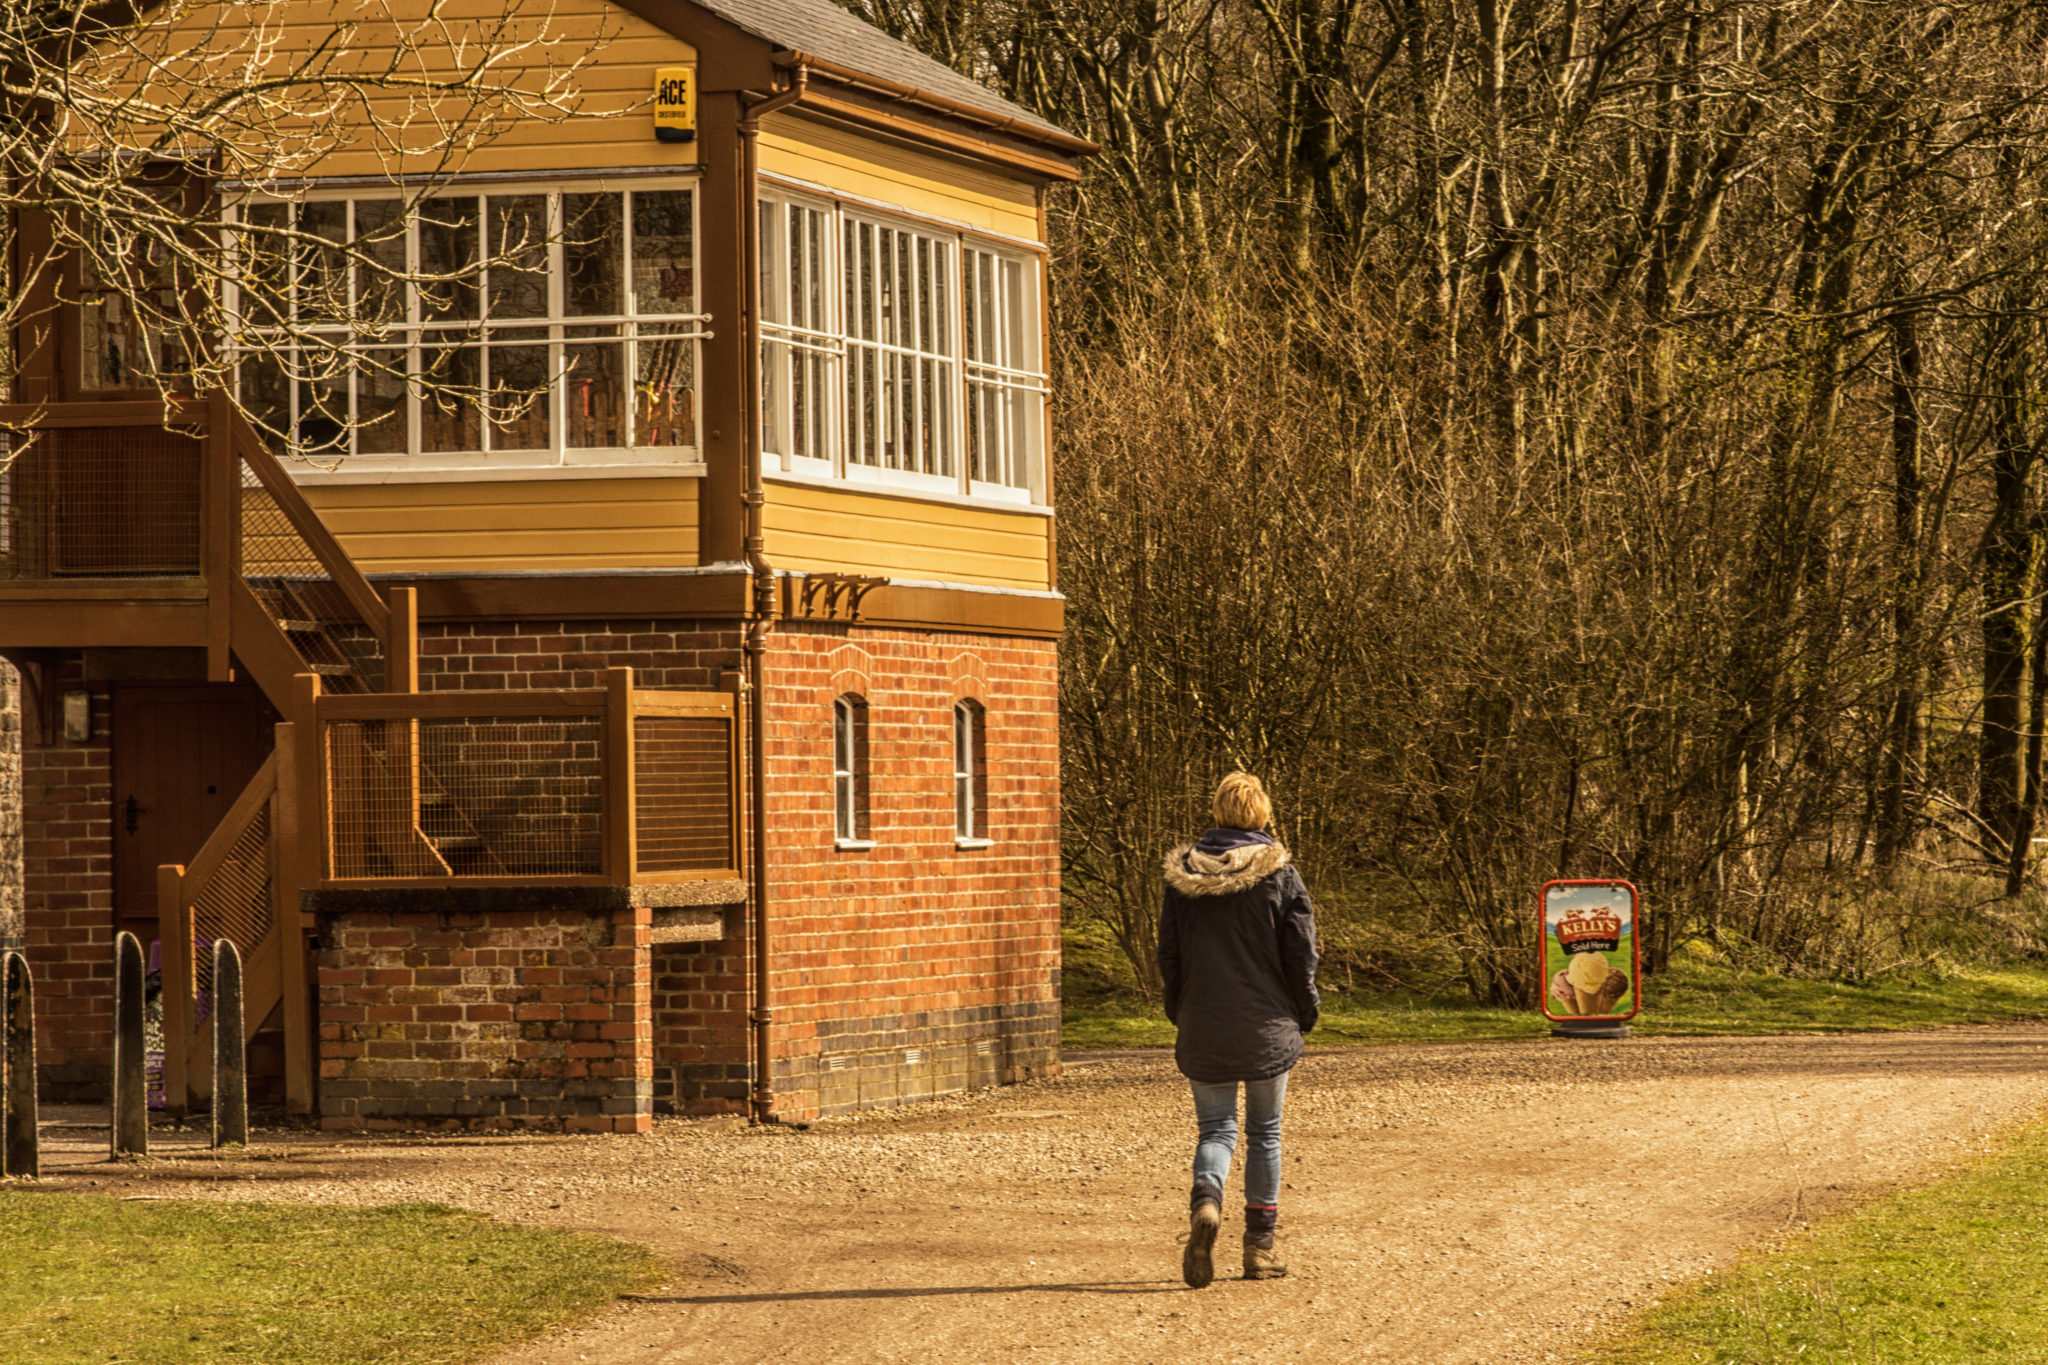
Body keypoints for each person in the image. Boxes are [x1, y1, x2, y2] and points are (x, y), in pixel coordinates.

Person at [1158, 771, 1320, 1289]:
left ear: (1218, 812)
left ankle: (1207, 1203)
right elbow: (1301, 954)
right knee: (1264, 1132)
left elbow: (1169, 955)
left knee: (1216, 1129)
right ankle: (1259, 1248)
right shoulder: (1280, 876)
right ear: (1262, 814)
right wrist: (1305, 1011)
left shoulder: (1182, 881)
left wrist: (1180, 1010)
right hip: (1267, 1023)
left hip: (1203, 1020)